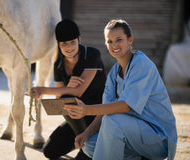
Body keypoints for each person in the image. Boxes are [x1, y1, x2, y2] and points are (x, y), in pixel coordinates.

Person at [64, 19, 177, 160]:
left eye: (119, 40)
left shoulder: (141, 64)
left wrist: (86, 110)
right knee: (89, 145)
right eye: (109, 41)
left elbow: (125, 106)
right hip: (133, 135)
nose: (114, 45)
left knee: (113, 121)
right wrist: (87, 132)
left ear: (130, 40)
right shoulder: (114, 72)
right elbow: (105, 109)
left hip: (157, 139)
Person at [31, 19, 107, 160]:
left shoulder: (92, 54)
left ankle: (87, 147)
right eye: (64, 44)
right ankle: (82, 139)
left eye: (72, 42)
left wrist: (42, 90)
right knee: (49, 151)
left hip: (99, 114)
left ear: (79, 39)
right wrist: (67, 87)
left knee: (69, 100)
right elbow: (60, 101)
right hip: (78, 118)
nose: (69, 47)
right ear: (59, 45)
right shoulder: (59, 65)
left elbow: (79, 92)